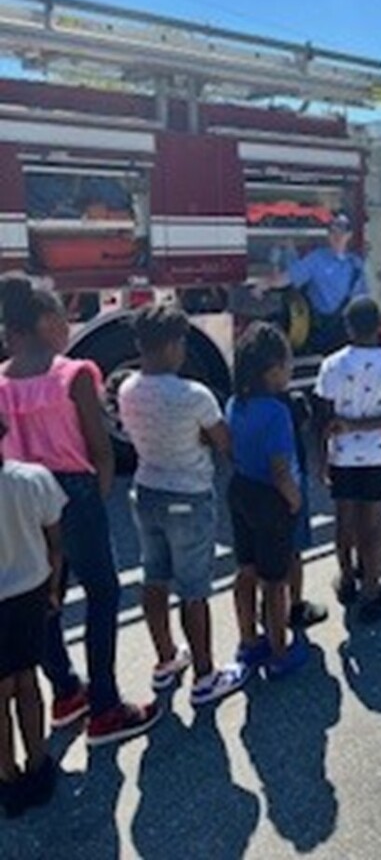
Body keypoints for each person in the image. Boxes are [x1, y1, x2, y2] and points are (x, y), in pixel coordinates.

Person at [0, 274, 159, 747]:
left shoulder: (2, 380)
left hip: (21, 492)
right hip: (73, 490)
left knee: (42, 593)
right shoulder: (74, 374)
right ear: (47, 321)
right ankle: (106, 706)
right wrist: (98, 491)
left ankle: (66, 690)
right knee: (102, 594)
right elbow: (101, 449)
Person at [119, 305, 248, 707]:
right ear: (174, 344)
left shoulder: (127, 389)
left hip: (146, 491)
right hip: (188, 496)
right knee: (194, 590)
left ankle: (165, 659)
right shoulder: (194, 395)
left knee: (154, 578)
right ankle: (205, 676)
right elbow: (224, 442)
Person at [315, 297, 381, 623]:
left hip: (342, 456)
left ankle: (346, 579)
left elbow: (323, 418)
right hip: (377, 456)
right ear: (380, 325)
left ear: (347, 326)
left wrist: (322, 457)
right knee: (373, 525)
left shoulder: (331, 365)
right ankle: (372, 588)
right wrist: (364, 426)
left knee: (344, 520)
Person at [227, 322, 309, 679]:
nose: (290, 371)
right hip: (270, 499)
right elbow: (280, 468)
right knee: (274, 580)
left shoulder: (235, 402)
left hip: (241, 488)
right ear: (271, 369)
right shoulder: (276, 412)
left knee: (246, 570)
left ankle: (249, 641)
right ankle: (279, 649)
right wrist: (294, 500)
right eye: (287, 364)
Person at [0, 416, 66, 819]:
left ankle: (6, 777)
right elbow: (55, 543)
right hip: (30, 593)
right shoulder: (33, 479)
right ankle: (38, 764)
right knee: (27, 680)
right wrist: (54, 589)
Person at [261, 213, 368, 355]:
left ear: (349, 235)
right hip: (321, 333)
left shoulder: (356, 265)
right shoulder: (317, 259)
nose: (337, 236)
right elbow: (289, 277)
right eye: (333, 232)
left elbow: (364, 300)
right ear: (328, 235)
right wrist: (264, 285)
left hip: (348, 334)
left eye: (342, 232)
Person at [281, 389, 328, 630]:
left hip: (255, 487)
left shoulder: (241, 404)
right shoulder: (291, 402)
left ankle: (268, 604)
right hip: (292, 483)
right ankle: (295, 604)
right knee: (294, 550)